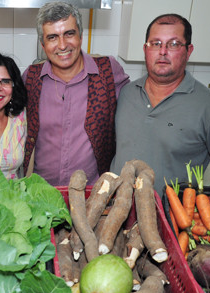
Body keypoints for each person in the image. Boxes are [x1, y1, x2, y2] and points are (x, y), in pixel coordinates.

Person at [110, 13, 210, 195]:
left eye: (173, 44)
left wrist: (202, 207)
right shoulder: (126, 93)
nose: (162, 51)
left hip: (170, 219)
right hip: (115, 212)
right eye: (156, 43)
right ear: (145, 49)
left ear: (188, 51)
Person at [23, 1, 130, 186]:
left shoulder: (107, 71)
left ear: (80, 36)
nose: (62, 45)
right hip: (40, 194)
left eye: (69, 34)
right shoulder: (31, 78)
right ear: (43, 44)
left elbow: (136, 106)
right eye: (53, 37)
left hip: (94, 196)